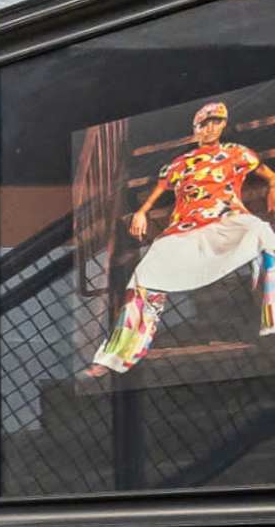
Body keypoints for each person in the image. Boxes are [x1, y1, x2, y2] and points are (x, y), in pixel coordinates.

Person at [86, 98, 273, 377]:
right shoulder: (180, 163)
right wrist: (141, 212)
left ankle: (271, 317)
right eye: (204, 125)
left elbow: (268, 175)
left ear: (222, 125)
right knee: (145, 272)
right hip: (185, 227)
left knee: (262, 233)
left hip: (227, 219)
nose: (209, 130)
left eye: (215, 123)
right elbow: (158, 191)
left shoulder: (237, 153)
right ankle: (117, 355)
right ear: (196, 129)